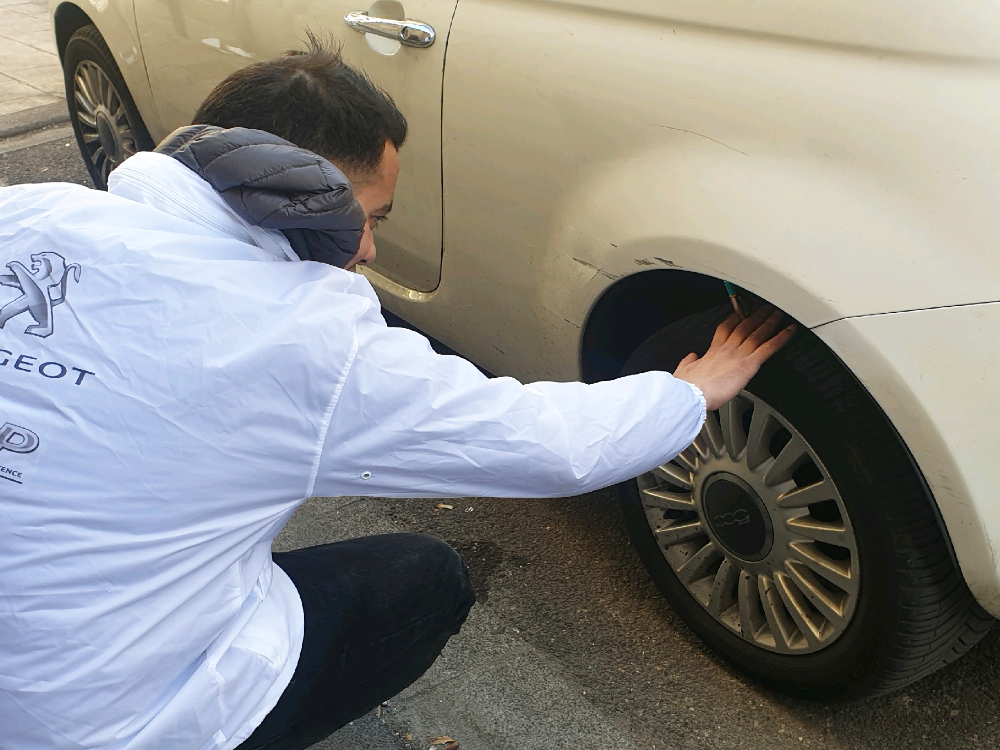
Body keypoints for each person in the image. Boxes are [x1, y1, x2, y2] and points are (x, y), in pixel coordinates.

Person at [0, 41, 794, 750]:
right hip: (100, 720)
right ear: (303, 200)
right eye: (365, 219)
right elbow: (548, 443)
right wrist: (689, 391)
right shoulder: (301, 340)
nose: (371, 249)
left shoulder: (29, 213)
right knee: (422, 578)